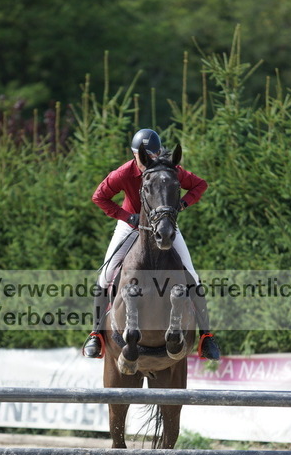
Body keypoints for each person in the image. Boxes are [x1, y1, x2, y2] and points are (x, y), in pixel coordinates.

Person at [83, 128, 220, 360]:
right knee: (106, 275)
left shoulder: (168, 170)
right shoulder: (123, 173)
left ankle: (206, 336)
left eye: (155, 154)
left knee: (192, 275)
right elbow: (99, 197)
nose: (150, 159)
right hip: (130, 225)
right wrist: (127, 217)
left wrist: (182, 204)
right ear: (134, 154)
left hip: (162, 225)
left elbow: (200, 185)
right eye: (145, 156)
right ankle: (96, 333)